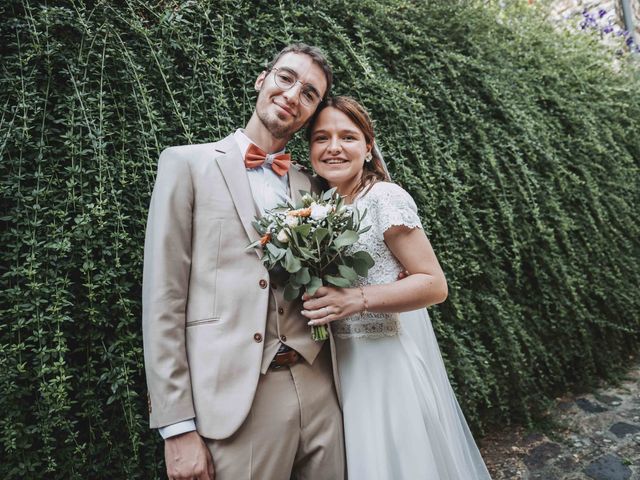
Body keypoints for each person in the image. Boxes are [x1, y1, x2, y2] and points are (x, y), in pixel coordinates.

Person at [142, 44, 345, 480]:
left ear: (312, 112)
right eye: (286, 78)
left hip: (322, 386)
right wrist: (176, 428)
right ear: (262, 79)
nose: (293, 95)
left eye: (309, 93)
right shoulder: (186, 164)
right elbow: (163, 300)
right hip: (235, 400)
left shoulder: (314, 183)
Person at [302, 96, 493, 479]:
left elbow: (433, 284)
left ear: (368, 147)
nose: (334, 147)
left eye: (348, 137)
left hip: (384, 364)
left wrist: (356, 299)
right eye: (322, 138)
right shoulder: (312, 206)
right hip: (334, 368)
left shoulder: (384, 199)